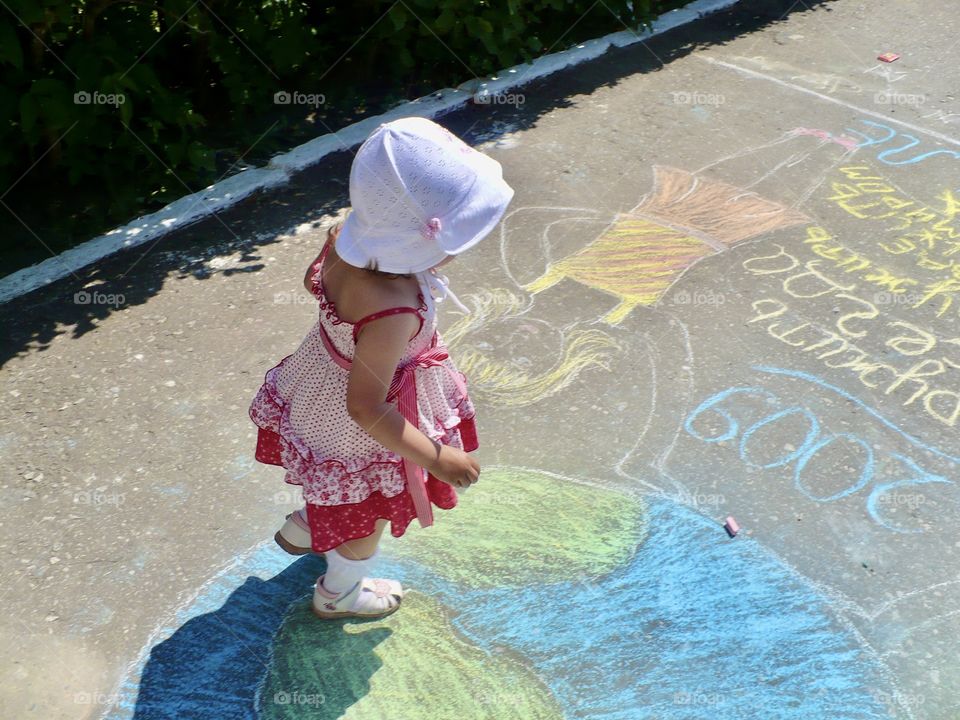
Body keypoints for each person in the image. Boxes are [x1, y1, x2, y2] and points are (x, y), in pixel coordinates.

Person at [248, 116, 514, 619]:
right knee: (364, 519)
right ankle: (339, 594)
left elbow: (317, 288)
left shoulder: (341, 239)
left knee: (336, 486)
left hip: (317, 389)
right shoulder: (393, 308)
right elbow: (367, 409)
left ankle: (310, 523)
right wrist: (437, 457)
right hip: (363, 429)